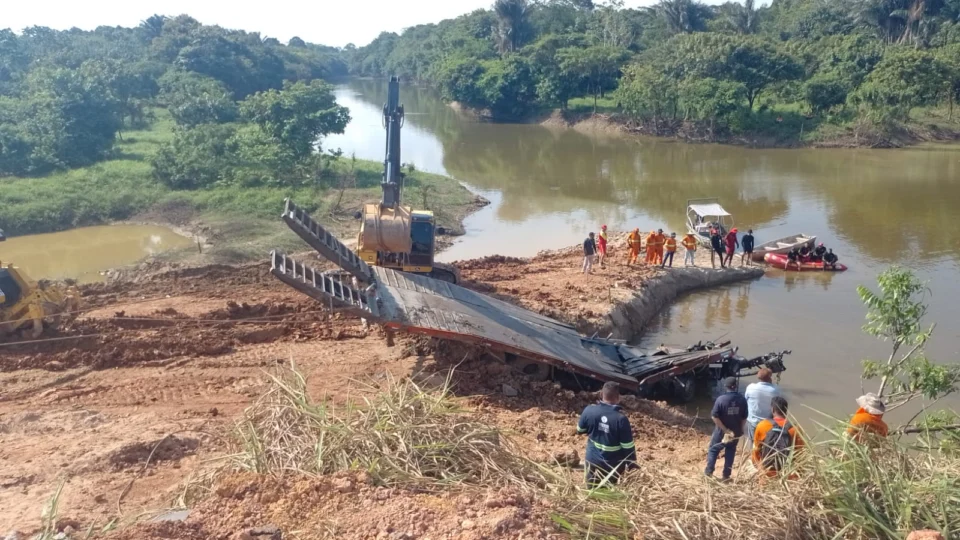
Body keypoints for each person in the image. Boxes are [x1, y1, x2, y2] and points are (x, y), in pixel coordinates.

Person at [576, 382, 637, 487]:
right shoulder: (621, 419)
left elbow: (580, 430)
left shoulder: (589, 410)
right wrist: (633, 466)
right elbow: (627, 447)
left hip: (592, 462)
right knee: (610, 492)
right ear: (618, 398)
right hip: (612, 468)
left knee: (591, 491)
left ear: (601, 395)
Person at [705, 377, 748, 481]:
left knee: (714, 449)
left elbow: (714, 416)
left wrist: (725, 429)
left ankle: (708, 473)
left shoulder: (721, 399)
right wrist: (741, 429)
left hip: (721, 432)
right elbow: (744, 417)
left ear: (726, 387)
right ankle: (726, 475)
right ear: (736, 386)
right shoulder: (742, 399)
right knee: (730, 451)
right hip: (735, 432)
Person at [752, 396, 804, 477]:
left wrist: (760, 468)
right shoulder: (795, 429)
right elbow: (800, 454)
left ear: (772, 409)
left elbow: (756, 452)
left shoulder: (762, 426)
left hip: (766, 473)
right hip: (786, 475)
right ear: (786, 411)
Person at [744, 368, 782, 445]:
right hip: (767, 423)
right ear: (770, 378)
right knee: (766, 443)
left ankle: (753, 456)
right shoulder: (775, 390)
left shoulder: (750, 387)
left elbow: (746, 399)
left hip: (753, 421)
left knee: (753, 442)